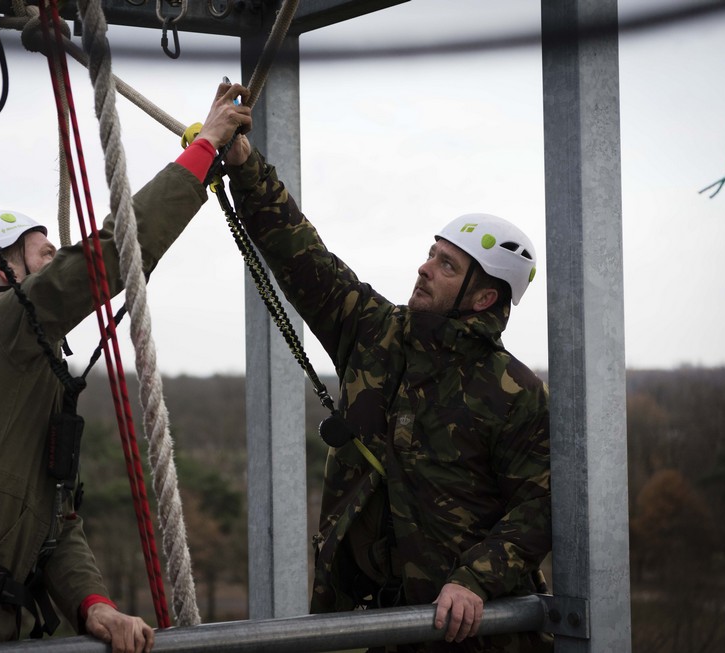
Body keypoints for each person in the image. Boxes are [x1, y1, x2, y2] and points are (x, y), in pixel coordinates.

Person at [0, 82, 251, 652]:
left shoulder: (17, 369)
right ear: (3, 271)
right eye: (44, 255)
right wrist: (205, 149)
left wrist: (94, 606)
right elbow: (112, 252)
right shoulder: (2, 326)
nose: (57, 259)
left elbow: (51, 521)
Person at [222, 131, 552, 652]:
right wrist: (245, 166)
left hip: (469, 636)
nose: (425, 268)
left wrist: (475, 580)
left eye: (447, 265)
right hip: (371, 626)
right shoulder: (374, 332)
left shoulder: (514, 390)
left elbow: (539, 506)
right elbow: (303, 256)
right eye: (431, 254)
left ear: (484, 297)